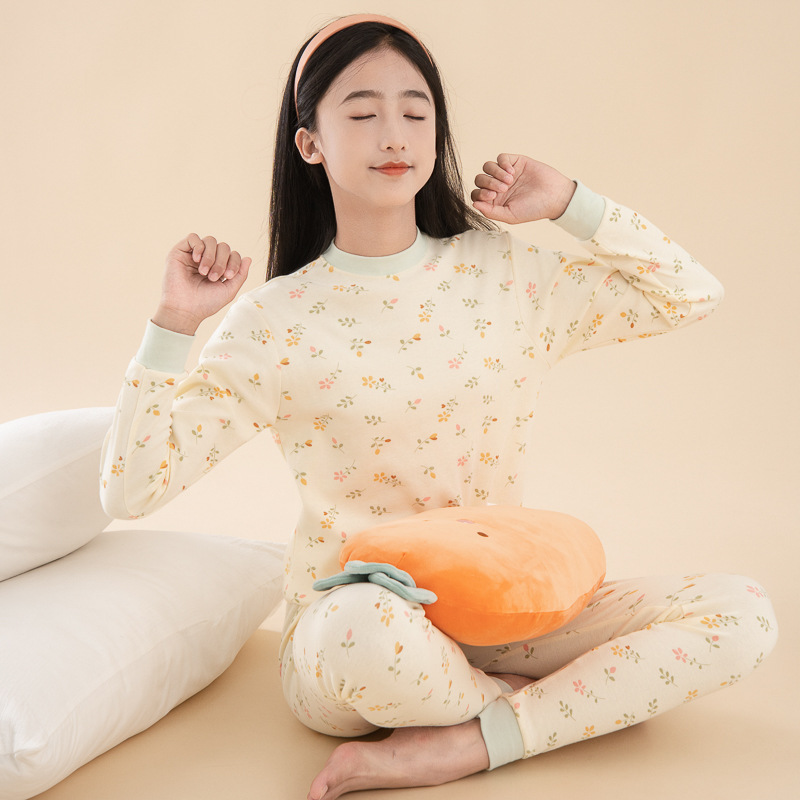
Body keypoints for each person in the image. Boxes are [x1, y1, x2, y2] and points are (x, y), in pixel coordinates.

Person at [99, 13, 778, 800]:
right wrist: (174, 323)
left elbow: (691, 295)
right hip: (360, 630)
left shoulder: (503, 273)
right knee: (359, 630)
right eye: (362, 113)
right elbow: (130, 489)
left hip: (509, 616)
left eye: (416, 113)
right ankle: (535, 714)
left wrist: (570, 203)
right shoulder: (274, 320)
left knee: (742, 613)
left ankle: (476, 739)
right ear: (310, 143)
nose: (395, 135)